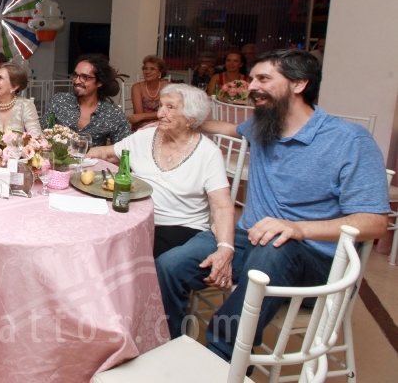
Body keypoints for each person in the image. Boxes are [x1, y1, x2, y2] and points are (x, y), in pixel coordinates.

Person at [156, 49, 389, 361]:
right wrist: (177, 124)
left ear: (299, 84)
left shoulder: (349, 141)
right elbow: (228, 129)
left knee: (275, 247)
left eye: (263, 78)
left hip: (314, 260)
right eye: (252, 79)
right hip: (250, 240)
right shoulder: (263, 125)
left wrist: (297, 229)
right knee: (169, 265)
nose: (252, 86)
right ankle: (168, 348)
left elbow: (375, 222)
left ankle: (222, 360)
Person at [88, 84, 233, 258]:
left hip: (180, 227)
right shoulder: (145, 136)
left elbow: (222, 206)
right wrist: (74, 157)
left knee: (125, 254)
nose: (159, 114)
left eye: (170, 107)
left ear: (191, 119)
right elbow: (107, 154)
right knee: (95, 237)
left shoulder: (208, 153)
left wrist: (225, 248)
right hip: (136, 218)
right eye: (160, 106)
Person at [39, 54, 131, 147]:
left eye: (85, 77)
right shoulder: (60, 101)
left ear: (99, 82)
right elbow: (41, 134)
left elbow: (124, 149)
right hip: (58, 159)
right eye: (75, 75)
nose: (77, 81)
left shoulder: (112, 112)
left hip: (93, 160)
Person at [129, 55, 170, 131]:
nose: (147, 71)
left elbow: (169, 111)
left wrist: (143, 116)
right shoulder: (137, 87)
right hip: (142, 125)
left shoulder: (168, 87)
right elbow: (139, 114)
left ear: (160, 72)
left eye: (152, 69)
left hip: (163, 122)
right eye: (145, 68)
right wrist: (142, 116)